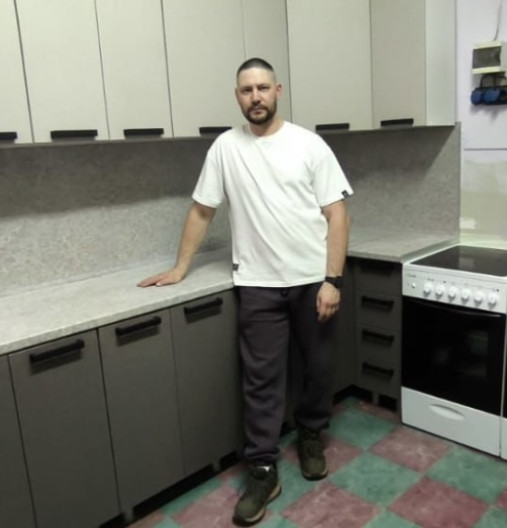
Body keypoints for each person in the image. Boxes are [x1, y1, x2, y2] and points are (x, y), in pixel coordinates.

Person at [138, 57, 352, 526]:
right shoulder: (224, 148)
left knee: (317, 367)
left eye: (262, 88)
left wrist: (332, 280)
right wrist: (180, 267)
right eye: (246, 90)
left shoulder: (309, 145)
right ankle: (263, 470)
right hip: (257, 285)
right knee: (261, 382)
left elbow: (337, 214)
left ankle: (311, 434)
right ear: (237, 96)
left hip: (312, 280)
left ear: (278, 91)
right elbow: (202, 210)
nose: (255, 97)